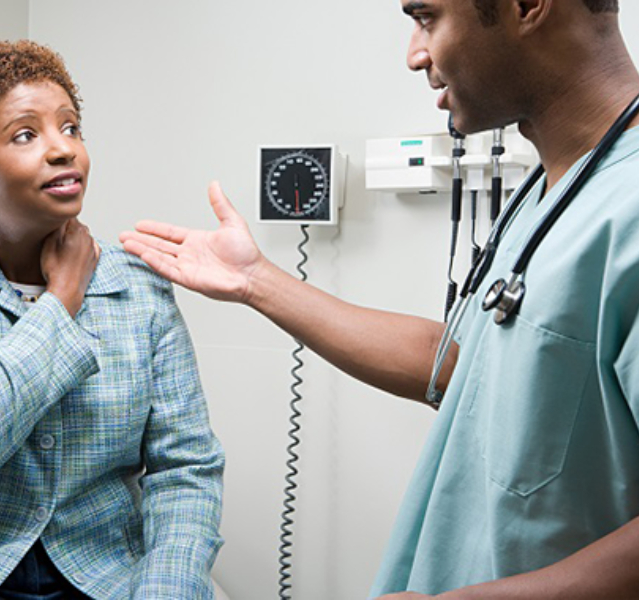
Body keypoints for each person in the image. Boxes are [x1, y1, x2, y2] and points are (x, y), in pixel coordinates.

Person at [120, 0, 639, 597]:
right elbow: (459, 367)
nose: (415, 54)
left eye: (427, 17)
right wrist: (256, 280)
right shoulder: (551, 187)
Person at [0, 40, 224, 600]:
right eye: (26, 134)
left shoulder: (142, 286)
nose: (63, 150)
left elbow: (186, 469)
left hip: (107, 578)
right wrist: (62, 300)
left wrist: (164, 591)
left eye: (71, 127)